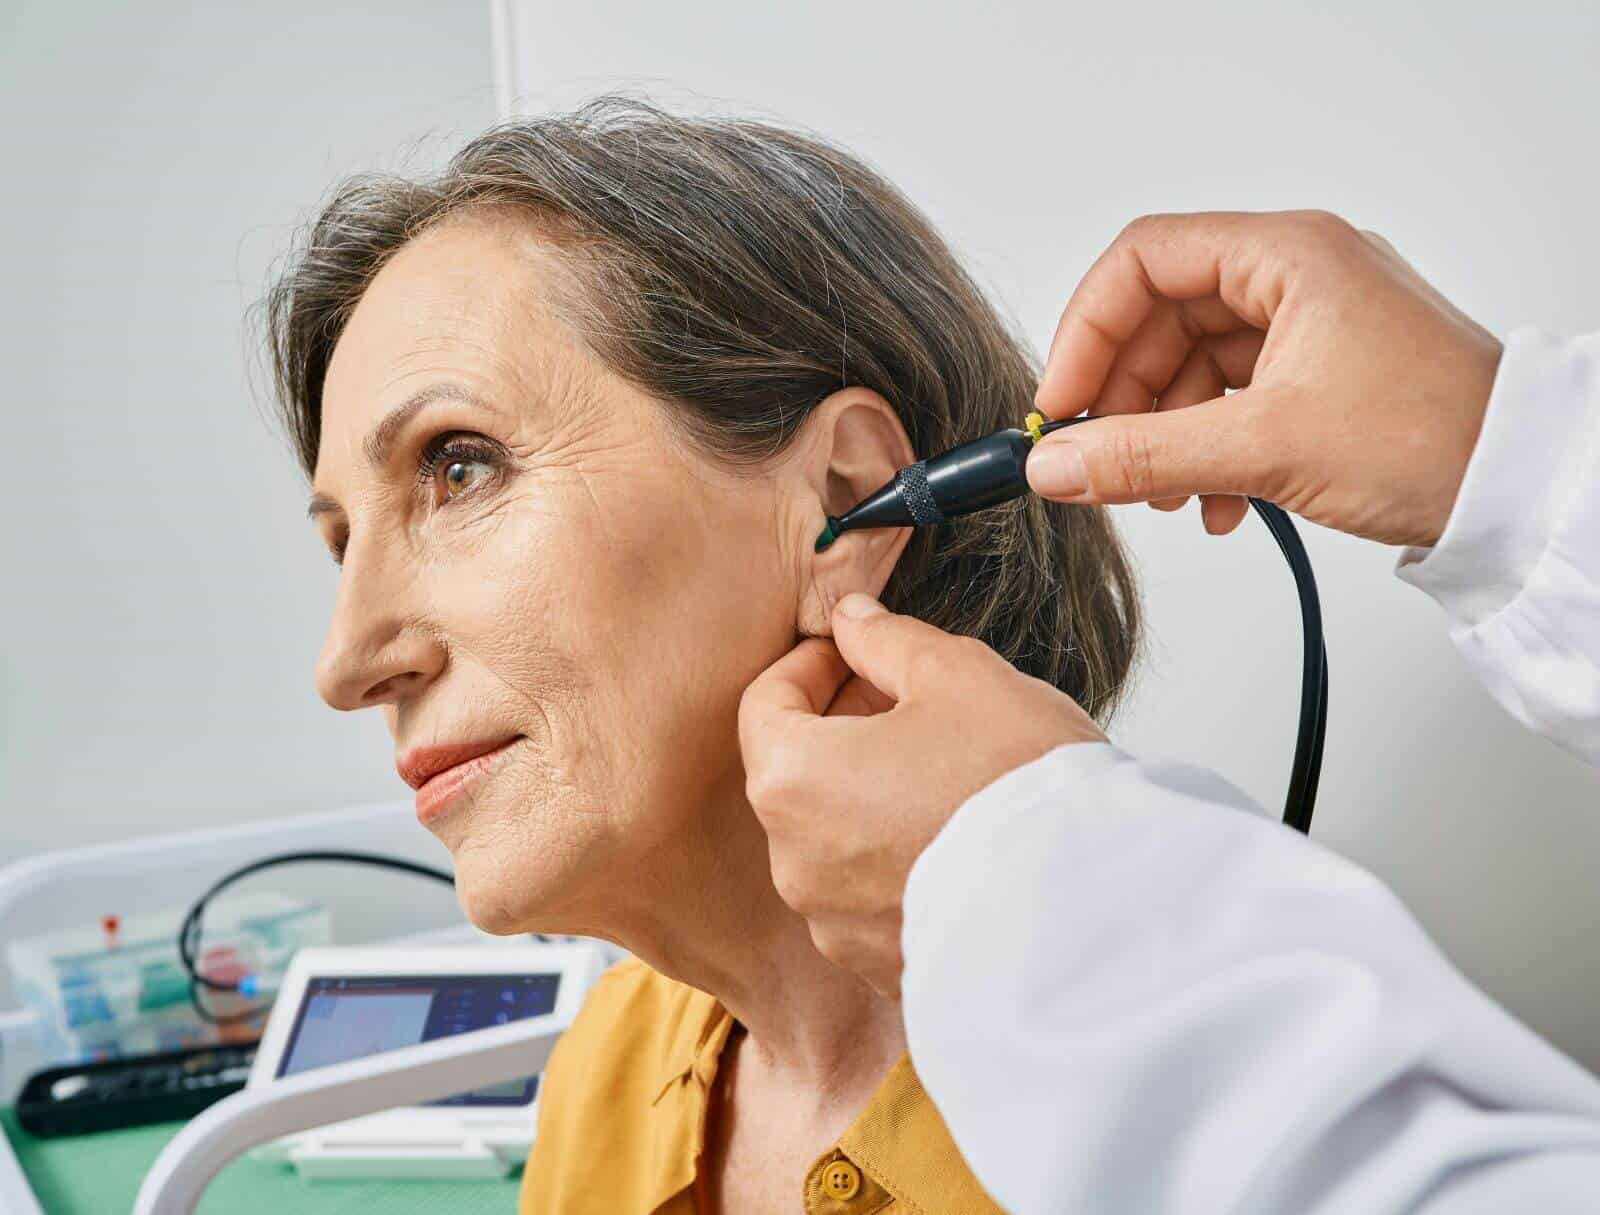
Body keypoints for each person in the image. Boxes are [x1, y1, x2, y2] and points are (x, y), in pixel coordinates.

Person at [263, 98, 1149, 1213]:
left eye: (460, 467)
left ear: (846, 505)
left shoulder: (1161, 1103)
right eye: (343, 542)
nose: (346, 663)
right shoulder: (612, 1064)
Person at [740, 211, 1600, 1211]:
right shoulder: (617, 1061)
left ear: (844, 491)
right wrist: (1495, 456)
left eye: (503, 457)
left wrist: (1014, 878)